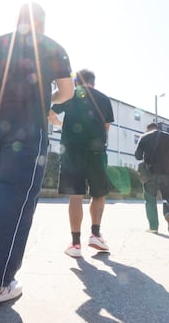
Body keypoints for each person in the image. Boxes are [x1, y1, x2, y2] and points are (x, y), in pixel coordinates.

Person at [0, 2, 74, 305]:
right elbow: (67, 92)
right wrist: (47, 103)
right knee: (14, 196)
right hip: (28, 125)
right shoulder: (53, 47)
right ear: (43, 22)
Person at [49, 69, 114, 258]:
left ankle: (75, 244)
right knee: (99, 193)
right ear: (94, 81)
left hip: (71, 150)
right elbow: (107, 127)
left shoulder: (70, 94)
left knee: (75, 196)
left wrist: (63, 125)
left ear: (76, 81)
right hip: (96, 151)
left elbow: (50, 115)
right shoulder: (104, 99)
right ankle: (95, 234)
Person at [134, 122, 169, 235]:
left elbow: (138, 156)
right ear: (157, 128)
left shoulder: (144, 137)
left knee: (149, 199)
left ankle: (153, 226)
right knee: (168, 197)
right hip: (167, 172)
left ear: (147, 129)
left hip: (150, 174)